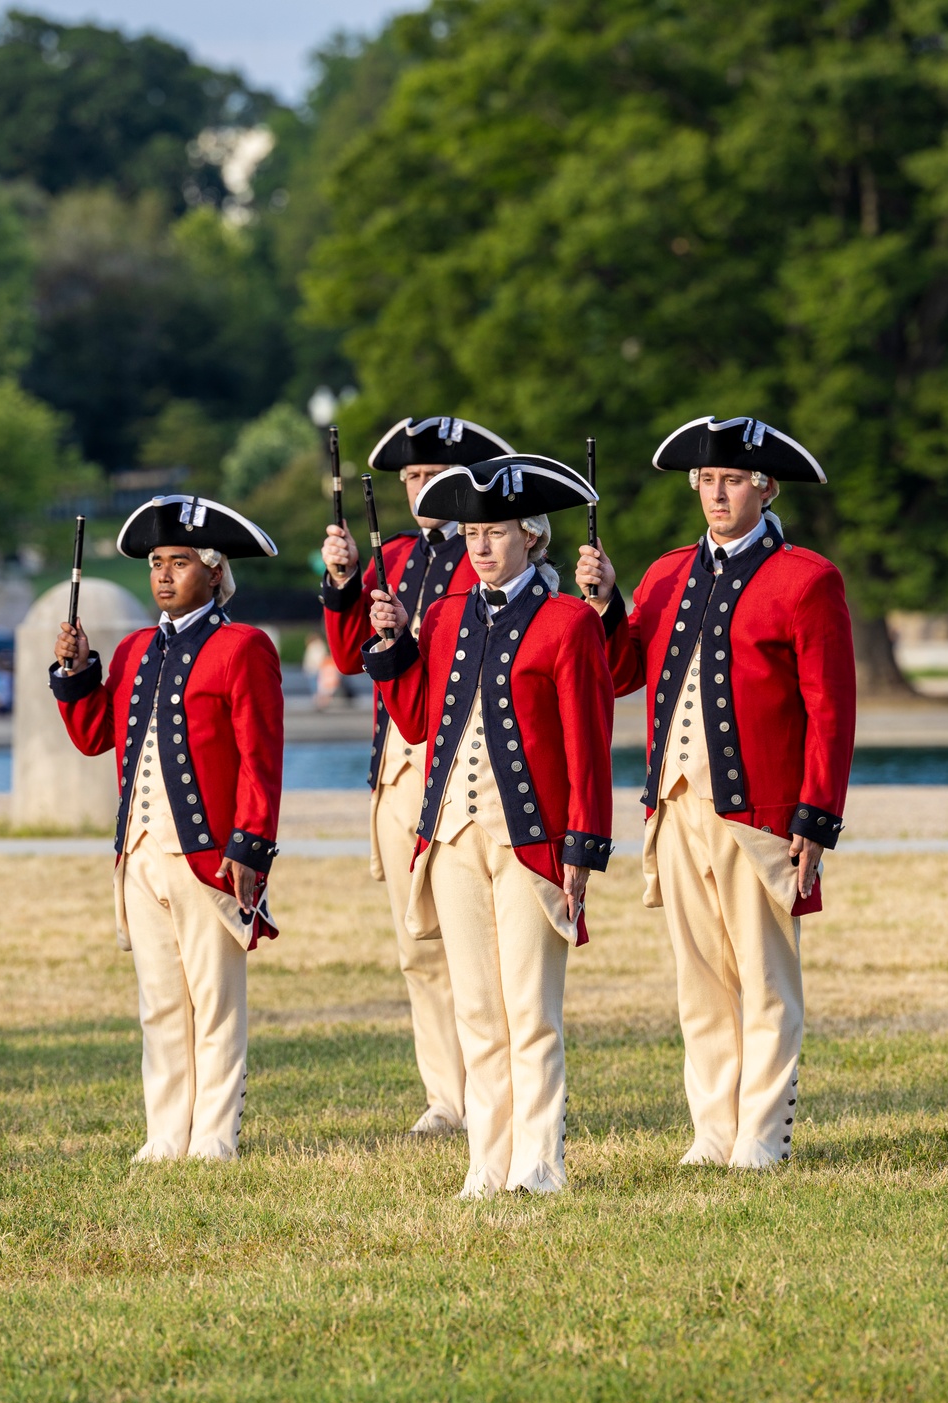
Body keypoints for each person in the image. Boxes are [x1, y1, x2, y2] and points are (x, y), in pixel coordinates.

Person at [576, 416, 856, 1169]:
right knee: (699, 980)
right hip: (674, 805)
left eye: (732, 480)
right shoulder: (667, 574)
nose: (717, 493)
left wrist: (818, 816)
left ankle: (763, 1134)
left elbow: (831, 708)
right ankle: (714, 1132)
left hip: (763, 810)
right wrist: (605, 607)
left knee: (764, 977)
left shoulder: (808, 579)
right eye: (707, 480)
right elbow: (622, 672)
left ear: (765, 487)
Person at [365, 454, 614, 1198]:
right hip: (451, 833)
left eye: (495, 532)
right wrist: (393, 649)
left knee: (530, 1007)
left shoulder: (569, 621)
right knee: (475, 1003)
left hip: (532, 839)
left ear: (531, 536)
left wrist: (583, 847)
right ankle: (488, 1160)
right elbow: (416, 720)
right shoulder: (442, 616)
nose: (480, 547)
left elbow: (588, 746)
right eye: (472, 532)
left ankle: (539, 1162)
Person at [51, 494, 284, 1163]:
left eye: (179, 562)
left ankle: (213, 1134)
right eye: (156, 562)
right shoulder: (131, 650)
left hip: (210, 857)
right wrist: (77, 673)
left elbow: (259, 760)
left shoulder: (245, 647)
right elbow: (96, 735)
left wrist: (250, 848)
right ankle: (164, 1133)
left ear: (214, 572)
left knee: (214, 1004)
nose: (162, 574)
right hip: (141, 852)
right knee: (159, 1003)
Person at [320, 416, 514, 1136]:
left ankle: (499, 1087)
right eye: (410, 478)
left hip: (461, 768)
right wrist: (342, 580)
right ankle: (447, 1094)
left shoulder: (488, 557)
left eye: (433, 476)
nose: (420, 488)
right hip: (397, 771)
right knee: (418, 942)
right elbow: (347, 657)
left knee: (479, 940)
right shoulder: (391, 555)